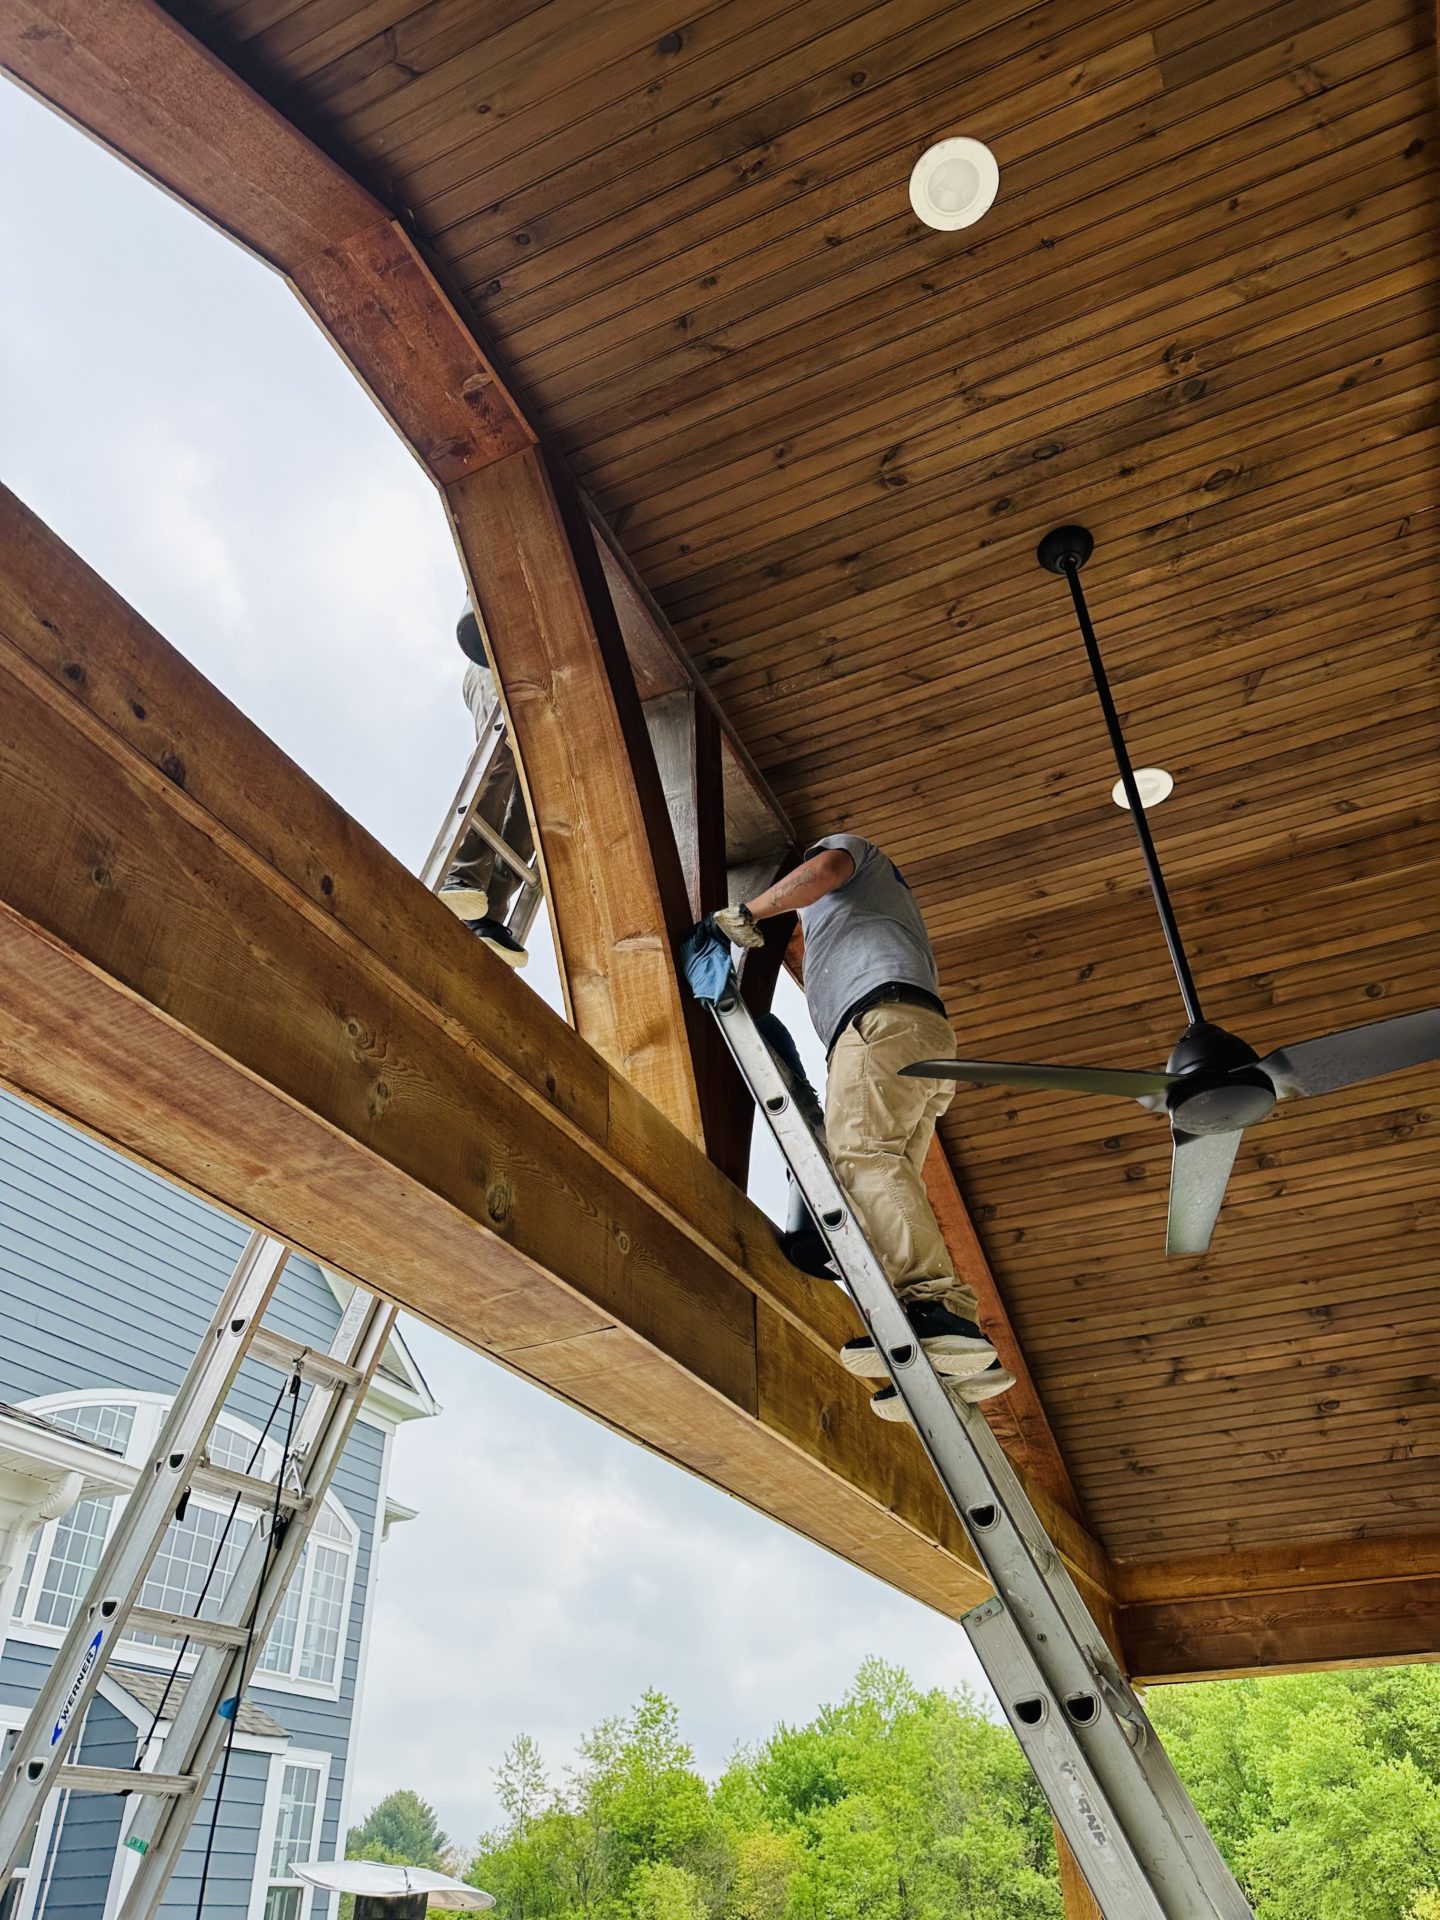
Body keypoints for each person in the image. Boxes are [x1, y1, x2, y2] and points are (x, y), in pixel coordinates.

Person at [708, 836, 1014, 1419]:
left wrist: (750, 913)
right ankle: (956, 1344)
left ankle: (935, 1310)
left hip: (880, 1021)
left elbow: (825, 867)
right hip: (910, 1029)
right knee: (882, 1181)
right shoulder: (866, 915)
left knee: (864, 1159)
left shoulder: (849, 859)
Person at [438, 601, 533, 967]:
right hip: (492, 656)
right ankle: (459, 875)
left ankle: (488, 913)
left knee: (534, 803)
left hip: (533, 665)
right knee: (501, 752)